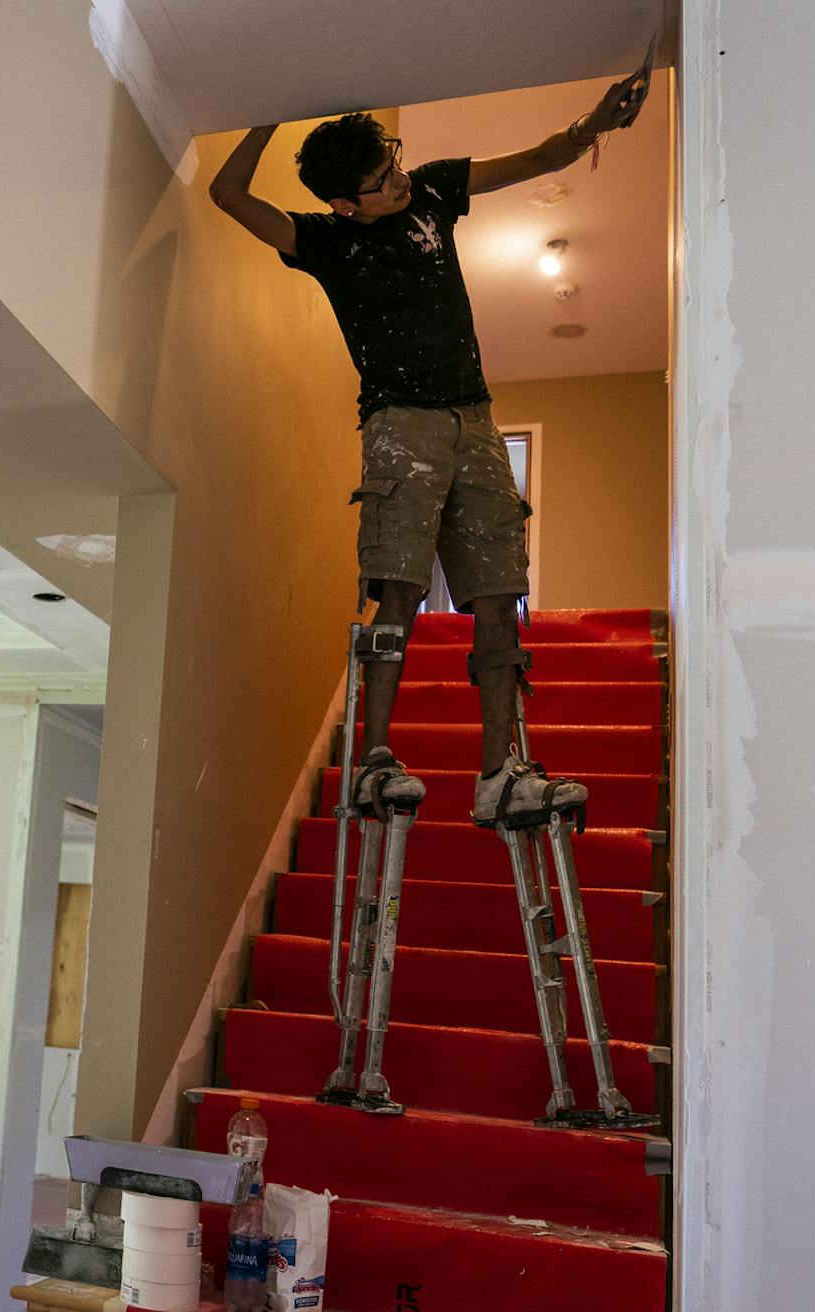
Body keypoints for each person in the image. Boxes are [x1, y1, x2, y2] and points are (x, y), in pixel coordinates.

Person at [209, 72, 648, 824]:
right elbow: (229, 196)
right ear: (346, 201)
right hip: (398, 423)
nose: (399, 179)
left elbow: (539, 159)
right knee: (400, 586)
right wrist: (265, 114)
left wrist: (590, 126)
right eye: (381, 180)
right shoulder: (326, 241)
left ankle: (501, 773)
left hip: (473, 419)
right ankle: (373, 762)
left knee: (499, 588)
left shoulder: (436, 193)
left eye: (395, 160)